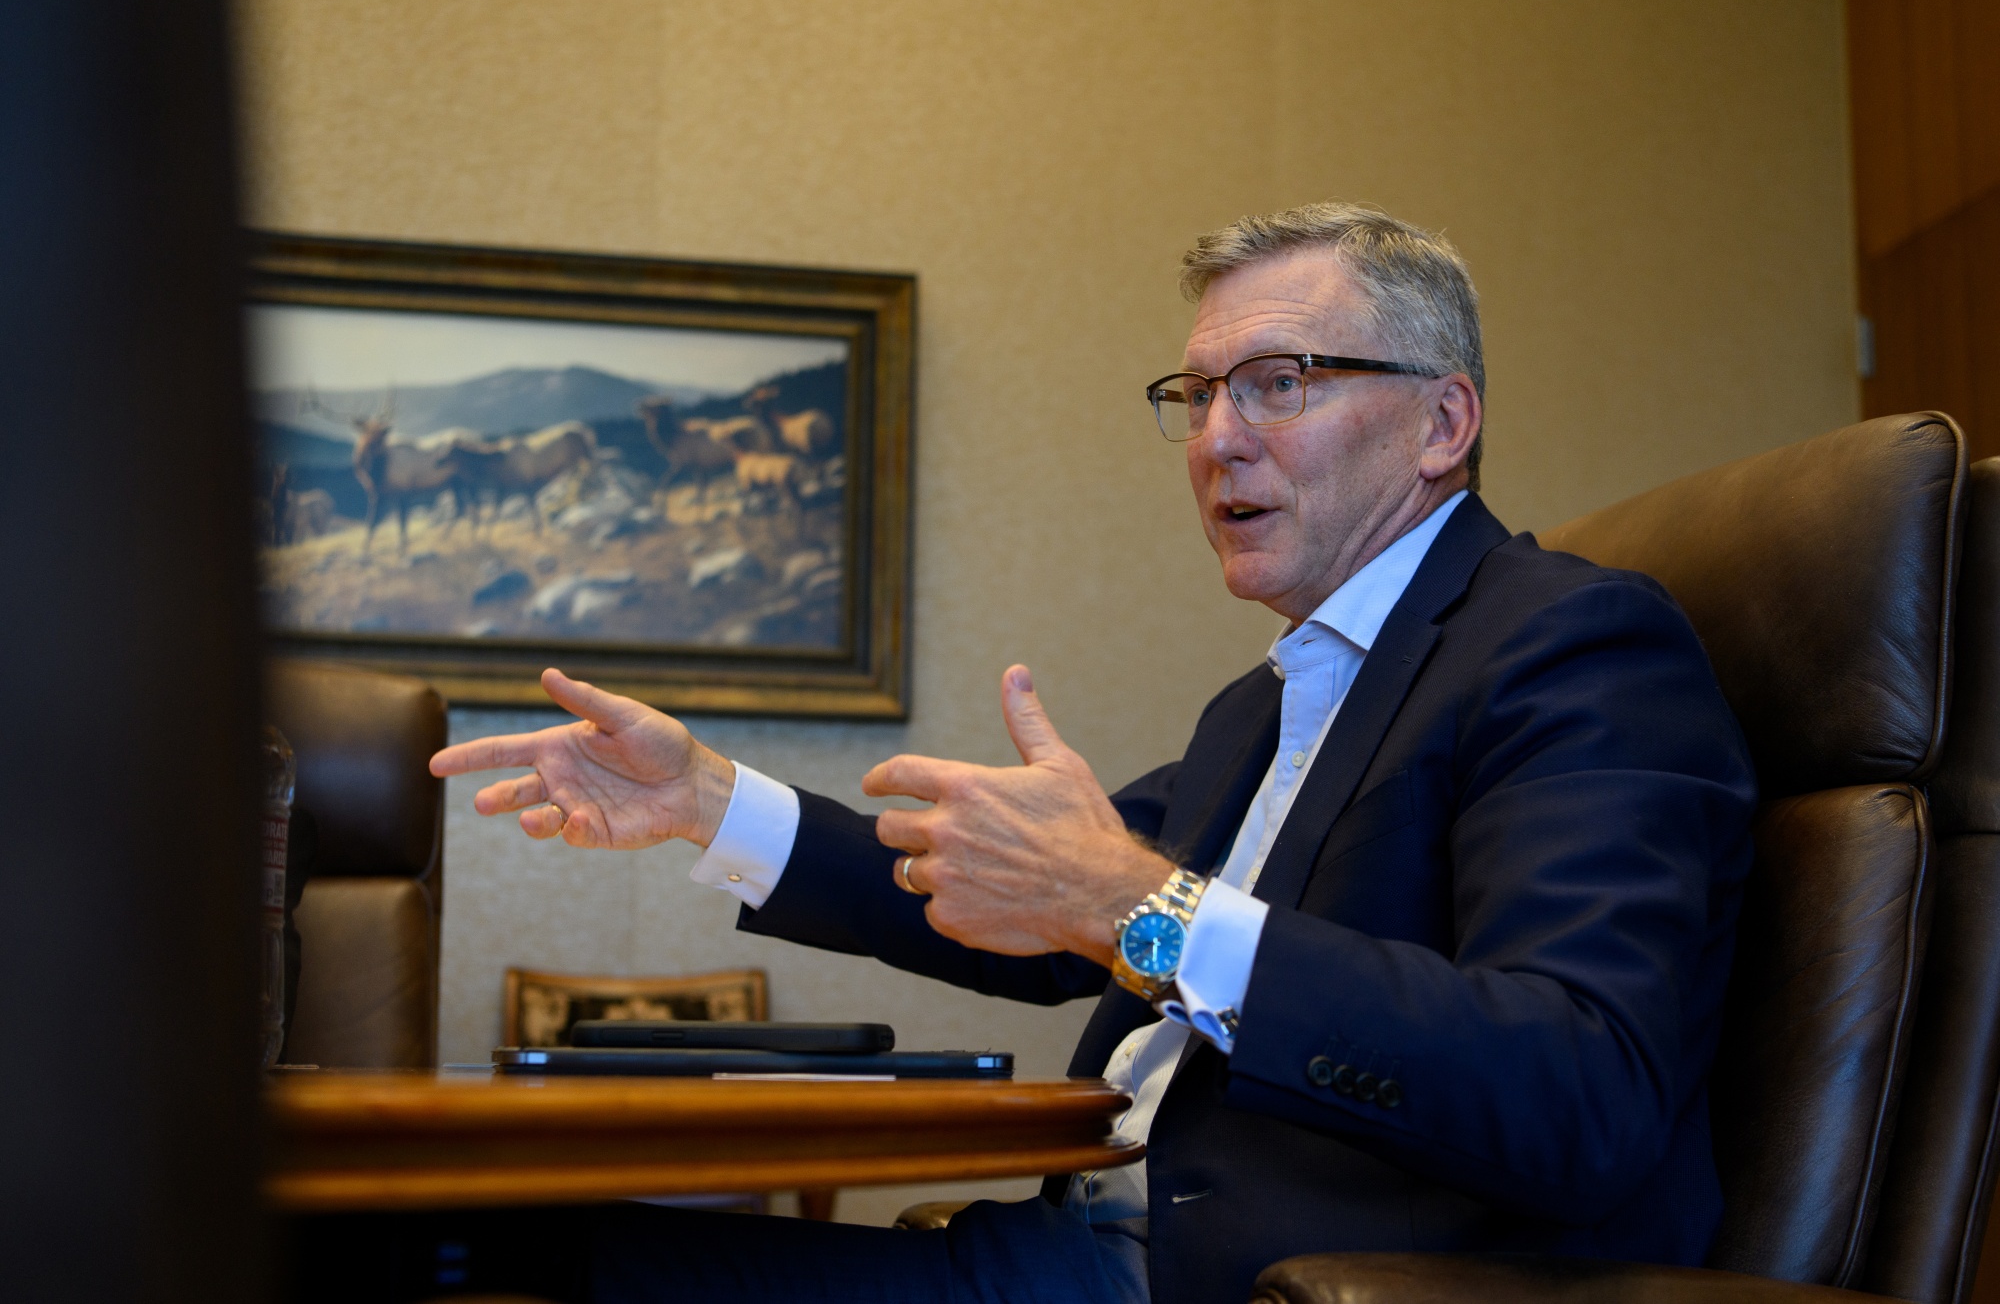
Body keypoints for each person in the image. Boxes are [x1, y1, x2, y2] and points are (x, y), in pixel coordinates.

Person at [430, 202, 1757, 1304]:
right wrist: (707, 800)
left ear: (1442, 423)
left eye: (1279, 383)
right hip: (1073, 1240)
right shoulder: (1269, 703)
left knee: (490, 1268)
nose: (1217, 436)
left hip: (1252, 1282)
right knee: (471, 1248)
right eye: (1198, 392)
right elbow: (1006, 901)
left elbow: (1581, 1085)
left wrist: (1142, 909)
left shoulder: (1577, 642)